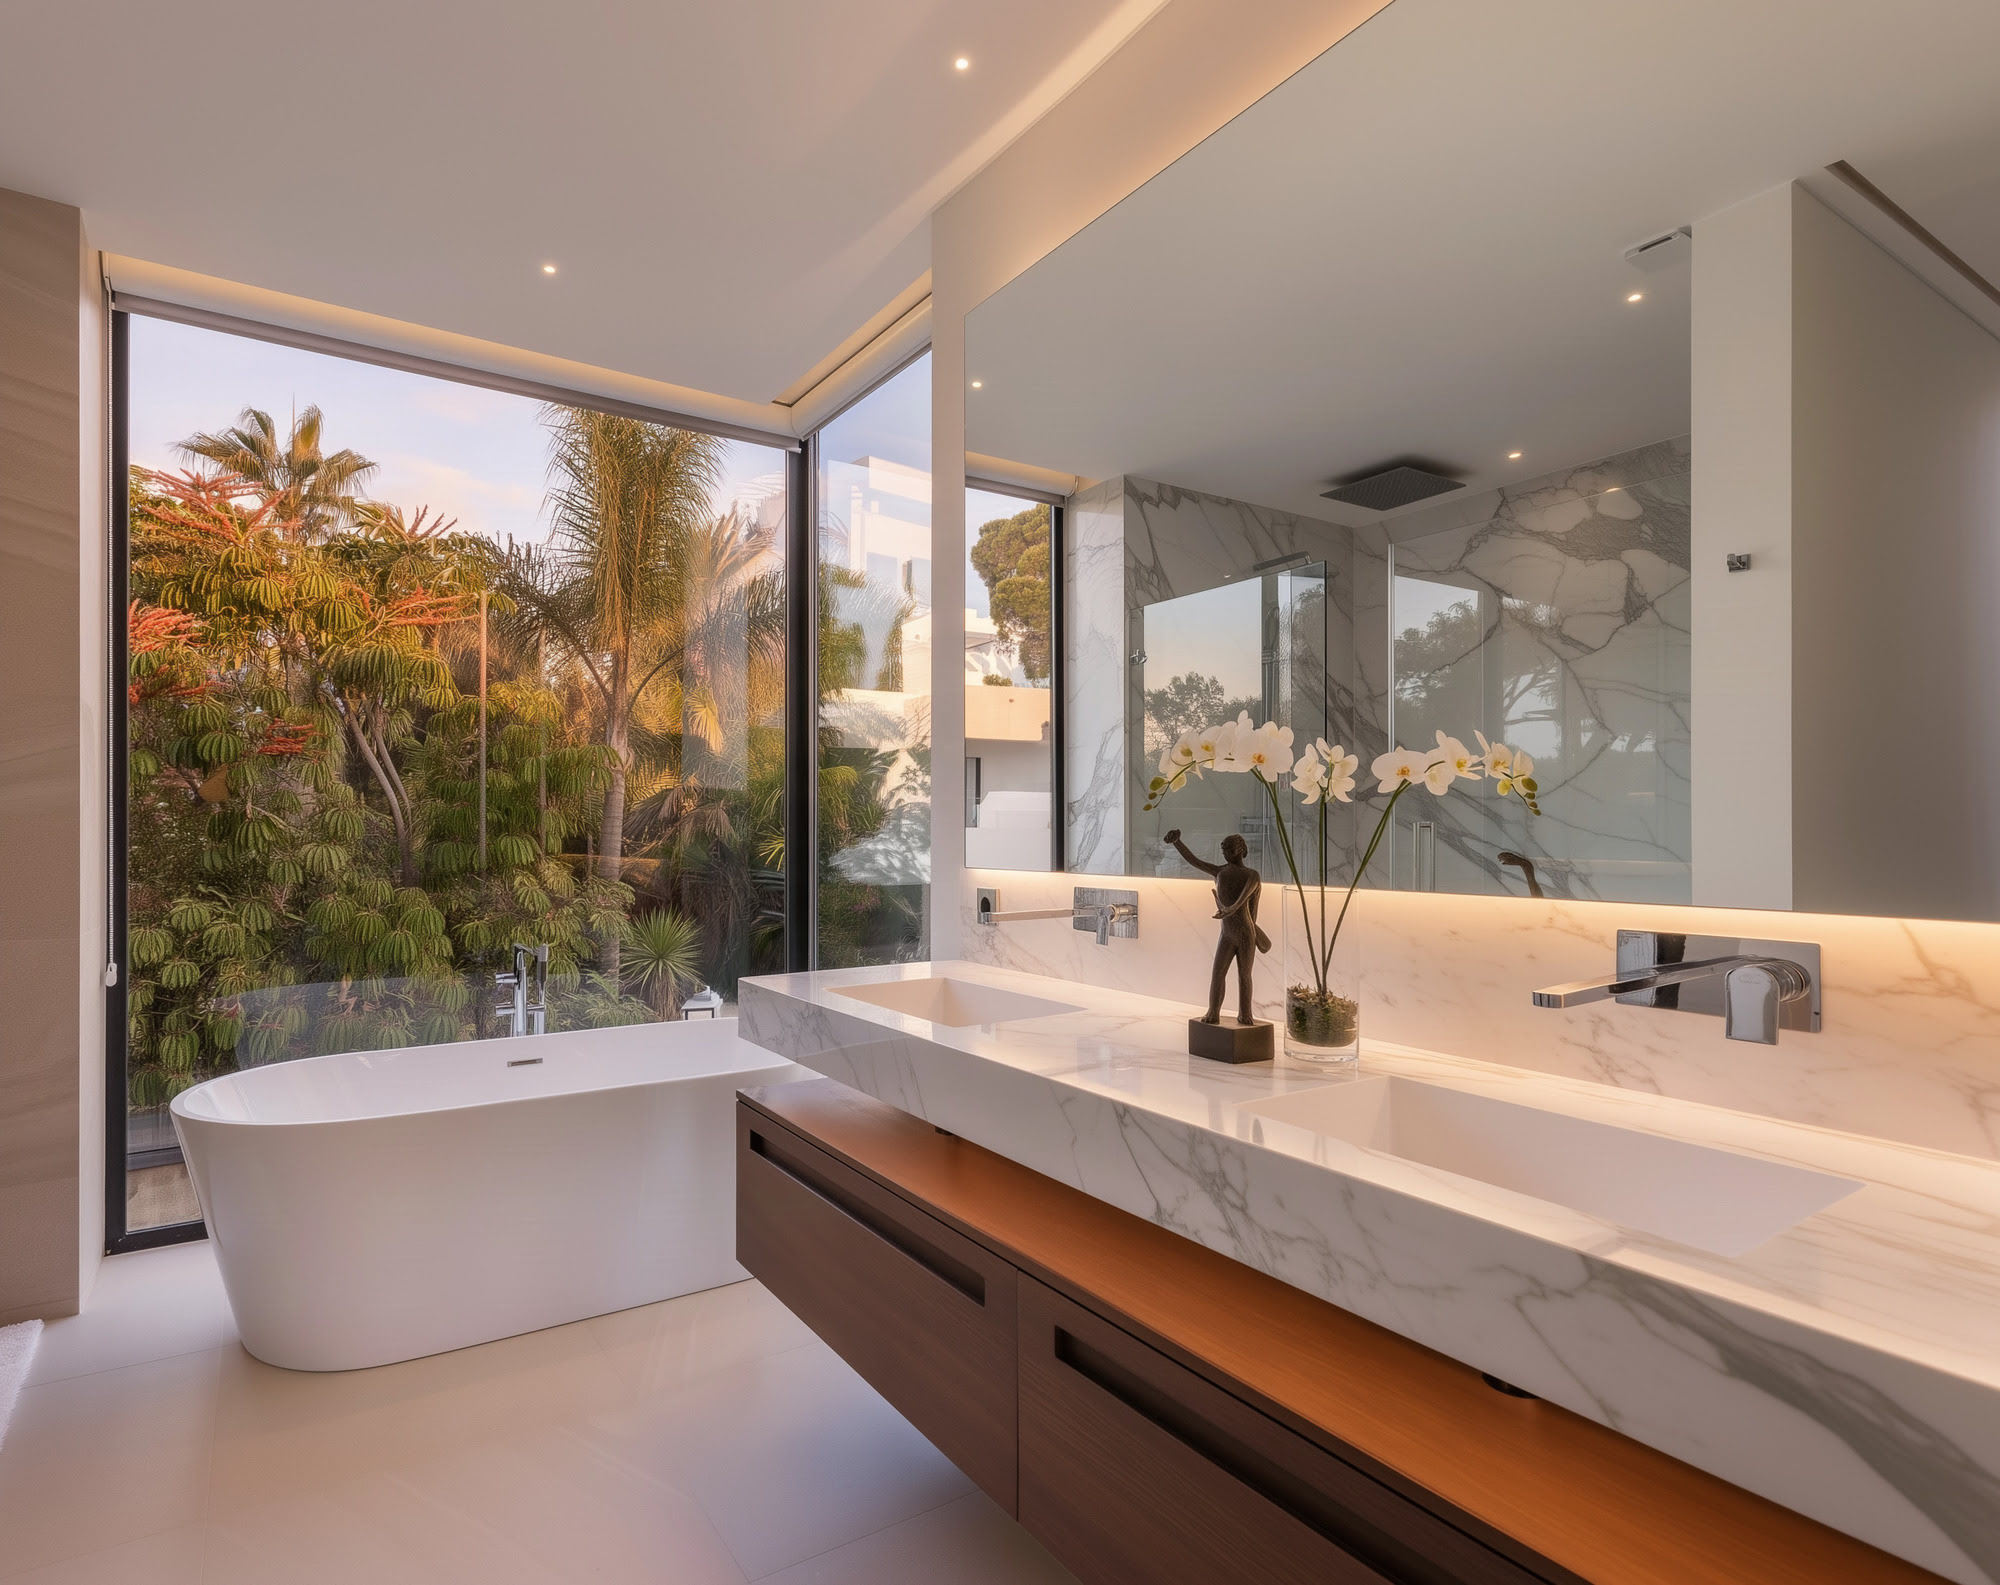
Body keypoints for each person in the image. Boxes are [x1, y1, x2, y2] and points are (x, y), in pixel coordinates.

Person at [1162, 830, 1269, 1025]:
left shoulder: (1252, 875)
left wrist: (1229, 909)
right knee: (1218, 973)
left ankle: (1245, 1014)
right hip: (1227, 934)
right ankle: (1213, 1012)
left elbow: (1244, 901)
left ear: (1241, 850)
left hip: (1245, 932)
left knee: (1244, 975)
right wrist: (1178, 842)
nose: (1225, 852)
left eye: (1229, 848)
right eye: (1224, 849)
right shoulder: (1220, 872)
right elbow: (1194, 861)